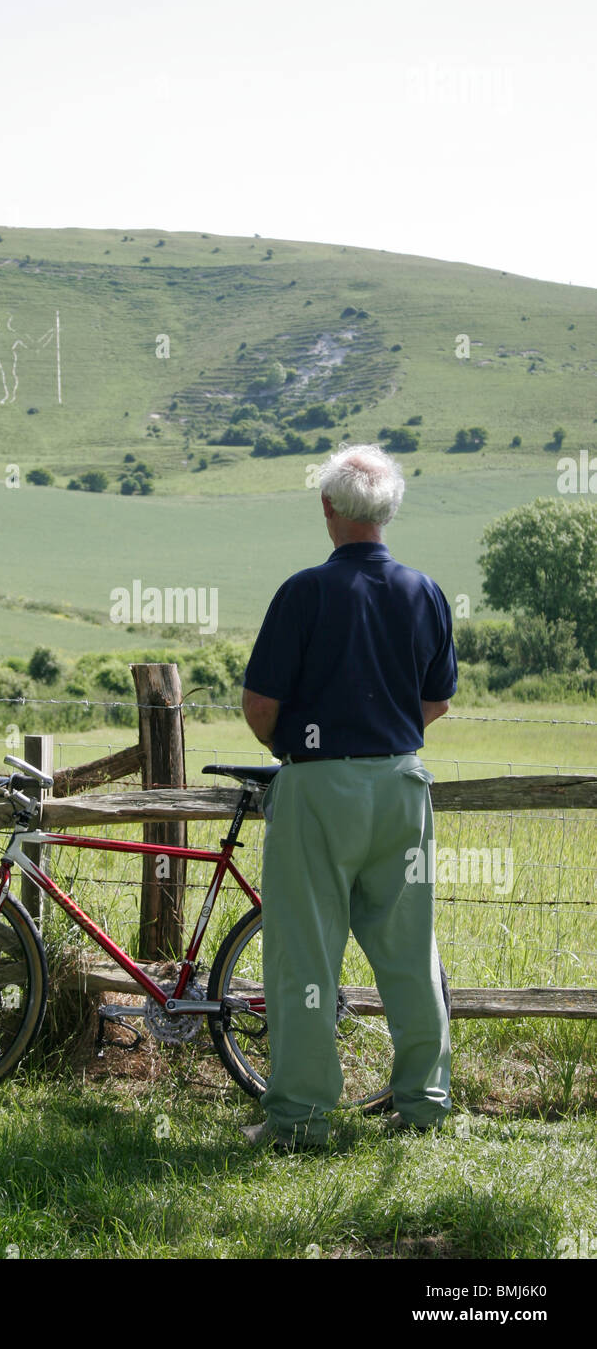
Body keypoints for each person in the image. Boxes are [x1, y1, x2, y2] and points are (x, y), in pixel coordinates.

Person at [240, 443, 457, 1150]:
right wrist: (383, 739)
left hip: (315, 788)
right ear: (387, 510)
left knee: (303, 958)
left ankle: (300, 1118)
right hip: (401, 787)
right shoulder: (424, 591)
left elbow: (260, 703)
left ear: (328, 507)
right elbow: (436, 702)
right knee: (409, 951)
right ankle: (424, 1103)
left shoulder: (304, 592)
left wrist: (298, 757)